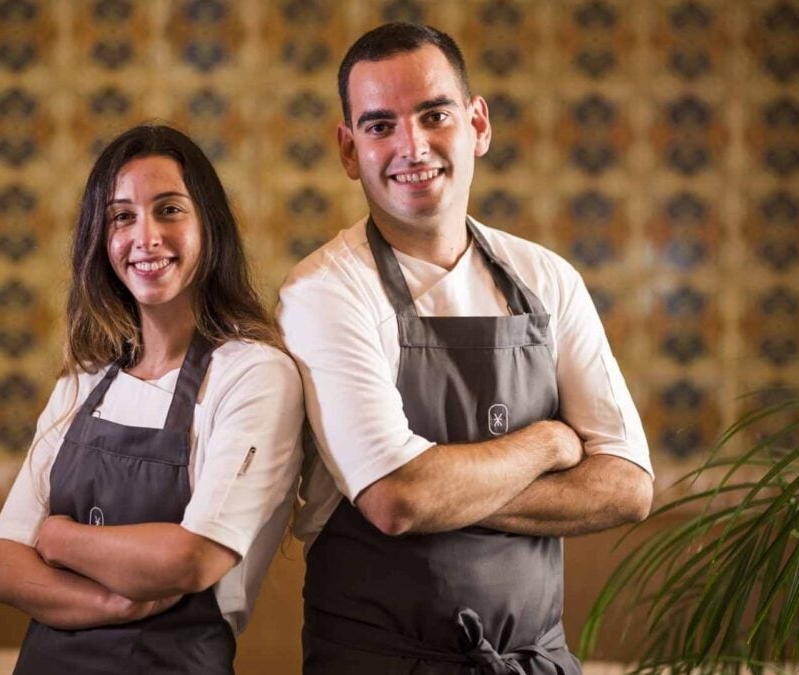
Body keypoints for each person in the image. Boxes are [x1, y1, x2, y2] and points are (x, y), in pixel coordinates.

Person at [277, 23, 655, 674]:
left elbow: (627, 486)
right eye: (379, 125)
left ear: (478, 123)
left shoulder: (546, 280)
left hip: (538, 661)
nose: (412, 145)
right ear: (348, 150)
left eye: (434, 114)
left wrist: (447, 491)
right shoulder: (325, 291)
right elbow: (397, 498)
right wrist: (549, 445)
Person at [0, 124, 304, 674]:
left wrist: (57, 537)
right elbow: (4, 566)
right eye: (122, 217)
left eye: (170, 210)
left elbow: (193, 557)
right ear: (100, 238)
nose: (145, 237)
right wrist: (114, 602)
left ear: (210, 225)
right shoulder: (84, 380)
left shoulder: (253, 374)